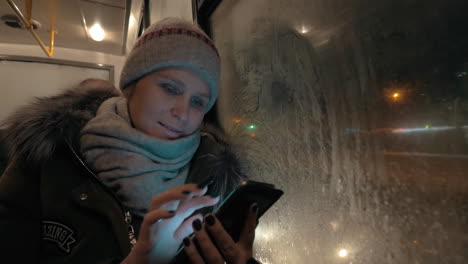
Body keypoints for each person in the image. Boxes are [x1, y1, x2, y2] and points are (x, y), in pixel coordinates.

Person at [0, 18, 260, 264]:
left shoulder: (216, 176)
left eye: (198, 102)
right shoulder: (48, 156)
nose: (182, 113)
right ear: (131, 85)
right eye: (170, 89)